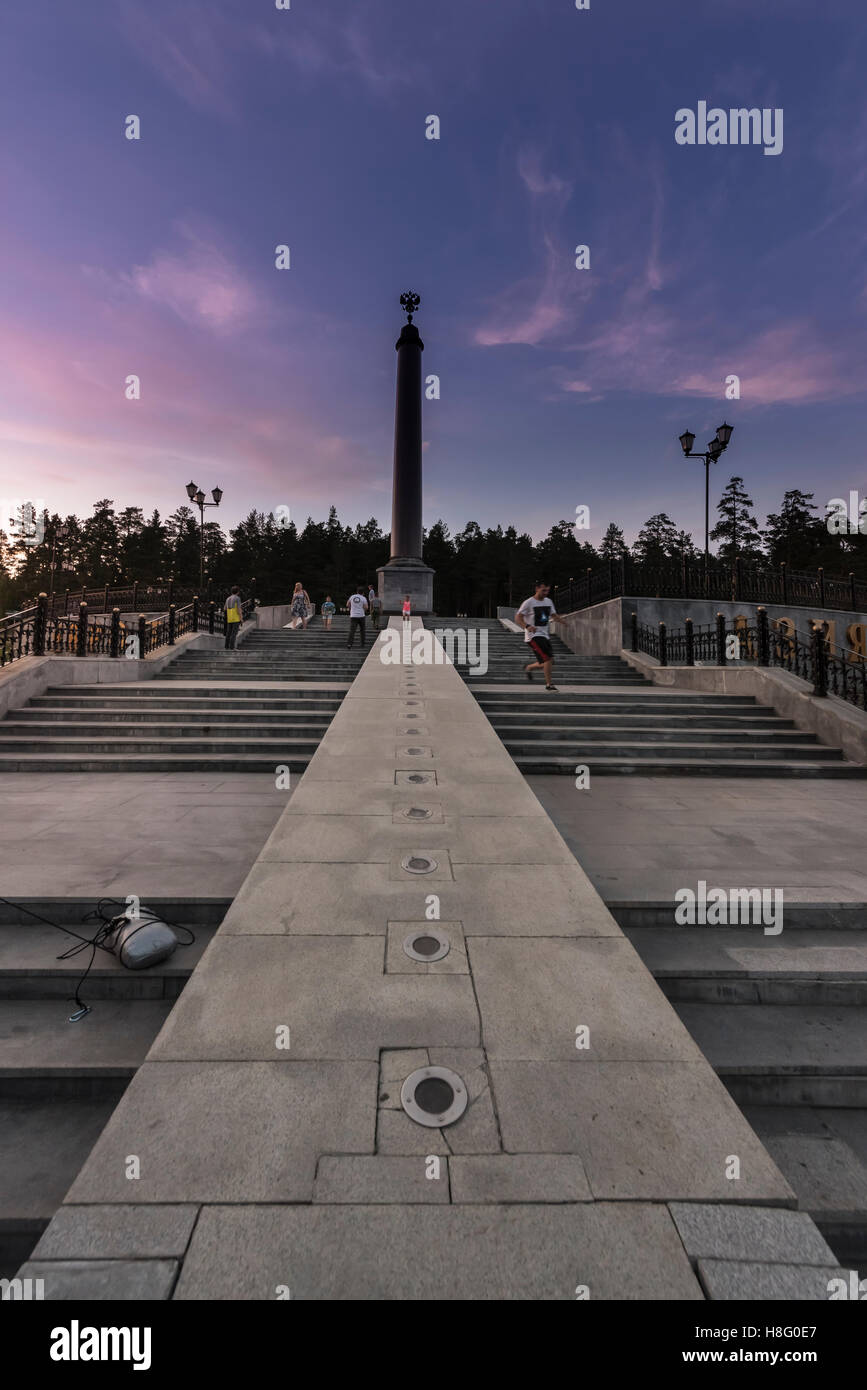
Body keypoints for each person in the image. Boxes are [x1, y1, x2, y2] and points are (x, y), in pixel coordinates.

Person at [515, 581, 562, 690]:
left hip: (545, 635)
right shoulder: (529, 602)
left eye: (547, 591)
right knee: (547, 660)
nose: (546, 593)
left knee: (549, 661)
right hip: (533, 636)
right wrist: (527, 626)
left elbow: (554, 615)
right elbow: (518, 617)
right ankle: (549, 684)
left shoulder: (549, 601)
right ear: (537, 589)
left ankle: (529, 667)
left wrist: (563, 621)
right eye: (543, 590)